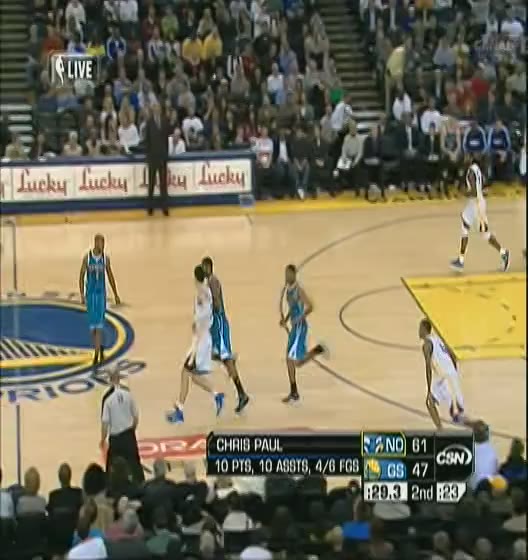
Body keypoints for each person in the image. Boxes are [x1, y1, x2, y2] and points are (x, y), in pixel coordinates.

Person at [166, 265, 225, 423]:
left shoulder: (202, 293)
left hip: (200, 340)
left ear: (195, 278)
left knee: (186, 372)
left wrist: (196, 324)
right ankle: (217, 395)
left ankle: (180, 411)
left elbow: (204, 315)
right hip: (201, 338)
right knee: (193, 376)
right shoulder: (205, 291)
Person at [201, 257, 250, 413]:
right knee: (214, 354)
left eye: (204, 267)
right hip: (215, 324)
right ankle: (230, 362)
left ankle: (242, 393)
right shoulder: (208, 282)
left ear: (209, 267)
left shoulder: (213, 281)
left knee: (223, 357)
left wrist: (206, 308)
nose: (203, 269)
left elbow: (216, 303)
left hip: (219, 322)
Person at [450, 156, 510, 272]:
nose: (463, 160)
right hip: (475, 203)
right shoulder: (477, 168)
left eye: (465, 158)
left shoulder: (470, 172)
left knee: (484, 234)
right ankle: (460, 260)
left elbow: (473, 192)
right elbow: (483, 183)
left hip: (476, 205)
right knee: (465, 224)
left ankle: (503, 253)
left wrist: (462, 193)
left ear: (469, 159)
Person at [280, 264, 328, 403]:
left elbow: (310, 306)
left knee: (291, 360)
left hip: (300, 327)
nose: (286, 276)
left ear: (294, 275)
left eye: (289, 274)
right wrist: (286, 319)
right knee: (296, 362)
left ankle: (294, 392)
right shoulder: (289, 290)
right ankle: (317, 350)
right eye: (285, 274)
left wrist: (300, 317)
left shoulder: (299, 290)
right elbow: (292, 307)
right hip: (295, 327)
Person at [79, 234, 121, 368]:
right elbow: (81, 276)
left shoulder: (105, 259)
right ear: (95, 243)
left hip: (101, 296)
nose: (102, 246)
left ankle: (97, 354)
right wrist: (82, 294)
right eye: (100, 243)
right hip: (90, 296)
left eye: (104, 243)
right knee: (93, 328)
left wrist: (116, 294)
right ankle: (99, 347)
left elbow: (110, 276)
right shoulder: (87, 258)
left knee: (99, 326)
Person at [418, 318, 465, 429]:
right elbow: (453, 356)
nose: (418, 331)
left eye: (420, 328)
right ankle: (441, 429)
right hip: (448, 375)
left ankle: (441, 430)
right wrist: (453, 372)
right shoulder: (438, 340)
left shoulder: (427, 344)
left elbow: (428, 367)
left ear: (424, 329)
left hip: (444, 377)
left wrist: (429, 389)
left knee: (432, 402)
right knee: (434, 403)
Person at [101, 369, 144, 484]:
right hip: (129, 436)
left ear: (110, 379)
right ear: (119, 378)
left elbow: (105, 423)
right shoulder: (128, 394)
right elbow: (136, 416)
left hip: (116, 440)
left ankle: (111, 489)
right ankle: (141, 487)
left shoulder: (107, 398)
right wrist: (131, 431)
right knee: (135, 466)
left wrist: (102, 439)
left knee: (111, 469)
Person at [145, 103, 170, 216]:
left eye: (158, 107)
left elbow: (166, 139)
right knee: (151, 183)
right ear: (153, 109)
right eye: (155, 107)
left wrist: (166, 155)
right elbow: (147, 141)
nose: (157, 109)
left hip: (162, 157)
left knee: (163, 184)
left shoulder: (165, 121)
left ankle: (165, 207)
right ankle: (150, 208)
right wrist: (148, 157)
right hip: (152, 157)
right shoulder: (149, 122)